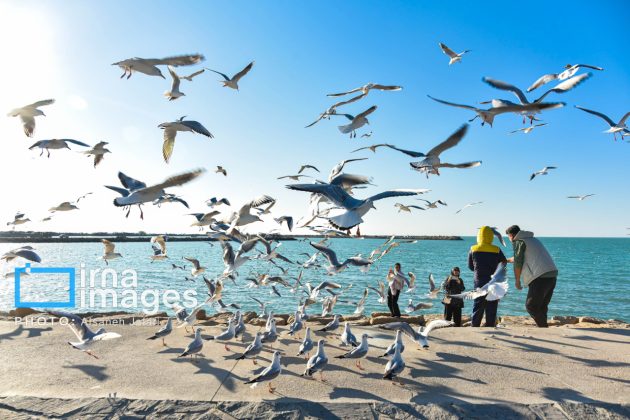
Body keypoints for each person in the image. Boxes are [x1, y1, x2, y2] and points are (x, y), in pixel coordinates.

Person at [505, 225, 558, 327]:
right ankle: (543, 327)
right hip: (551, 274)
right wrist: (506, 260)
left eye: (508, 237)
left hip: (540, 276)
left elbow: (518, 262)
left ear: (511, 236)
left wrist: (517, 280)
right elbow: (520, 257)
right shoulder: (532, 240)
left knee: (531, 306)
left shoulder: (519, 242)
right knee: (542, 306)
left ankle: (543, 327)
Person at [468, 226, 507, 327]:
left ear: (479, 236)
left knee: (478, 305)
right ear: (491, 236)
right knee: (492, 305)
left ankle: (475, 325)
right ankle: (490, 325)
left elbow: (470, 266)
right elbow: (504, 262)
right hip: (493, 281)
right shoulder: (496, 249)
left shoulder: (473, 248)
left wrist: (477, 269)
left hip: (479, 281)